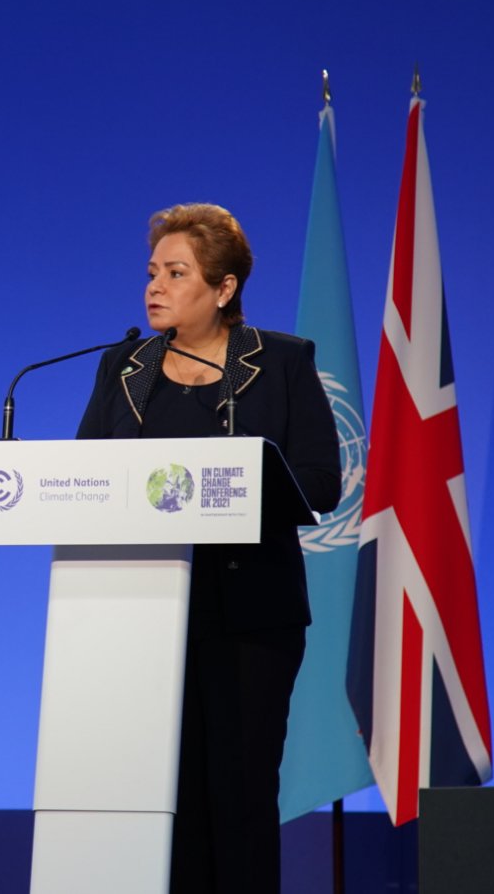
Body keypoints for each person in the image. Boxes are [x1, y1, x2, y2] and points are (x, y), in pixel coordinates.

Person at [76, 203, 341, 893]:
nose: (154, 287)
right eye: (151, 272)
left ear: (224, 288)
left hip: (250, 615)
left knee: (240, 795)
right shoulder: (124, 366)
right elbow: (86, 475)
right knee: (171, 799)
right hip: (142, 616)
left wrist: (230, 487)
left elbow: (321, 483)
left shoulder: (281, 362)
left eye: (176, 273)